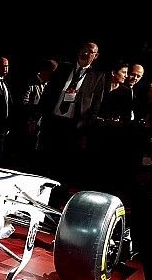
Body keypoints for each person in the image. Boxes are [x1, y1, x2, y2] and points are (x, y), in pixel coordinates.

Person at [39, 41, 105, 191]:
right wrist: (36, 118)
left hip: (74, 127)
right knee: (46, 160)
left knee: (65, 166)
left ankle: (58, 196)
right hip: (53, 122)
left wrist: (86, 132)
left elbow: (95, 106)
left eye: (90, 52)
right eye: (83, 49)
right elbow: (48, 93)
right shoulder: (63, 68)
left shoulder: (97, 76)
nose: (86, 53)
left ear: (96, 56)